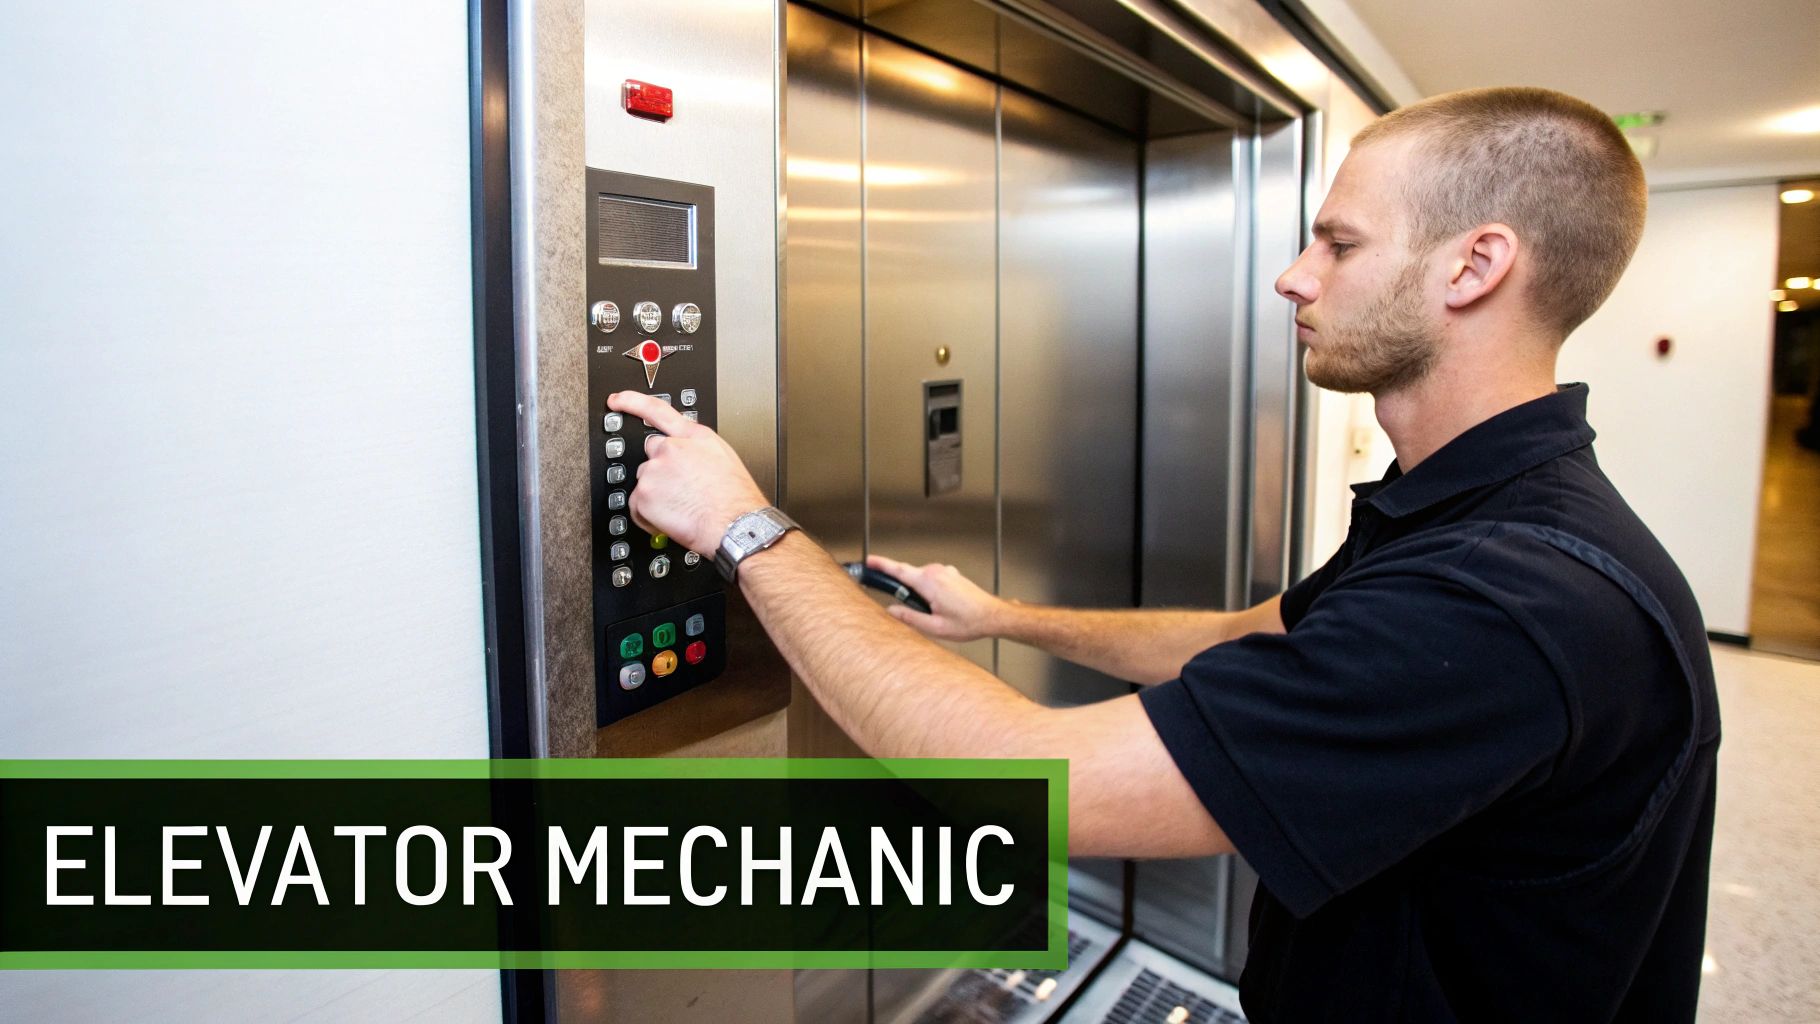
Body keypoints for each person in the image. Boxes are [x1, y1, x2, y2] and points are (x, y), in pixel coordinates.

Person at [609, 86, 1720, 1021]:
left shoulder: (1505, 600)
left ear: (1474, 265)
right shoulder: (1486, 514)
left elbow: (1029, 786)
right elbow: (1254, 636)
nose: (1292, 275)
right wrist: (1001, 616)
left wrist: (745, 530)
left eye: (1337, 243)